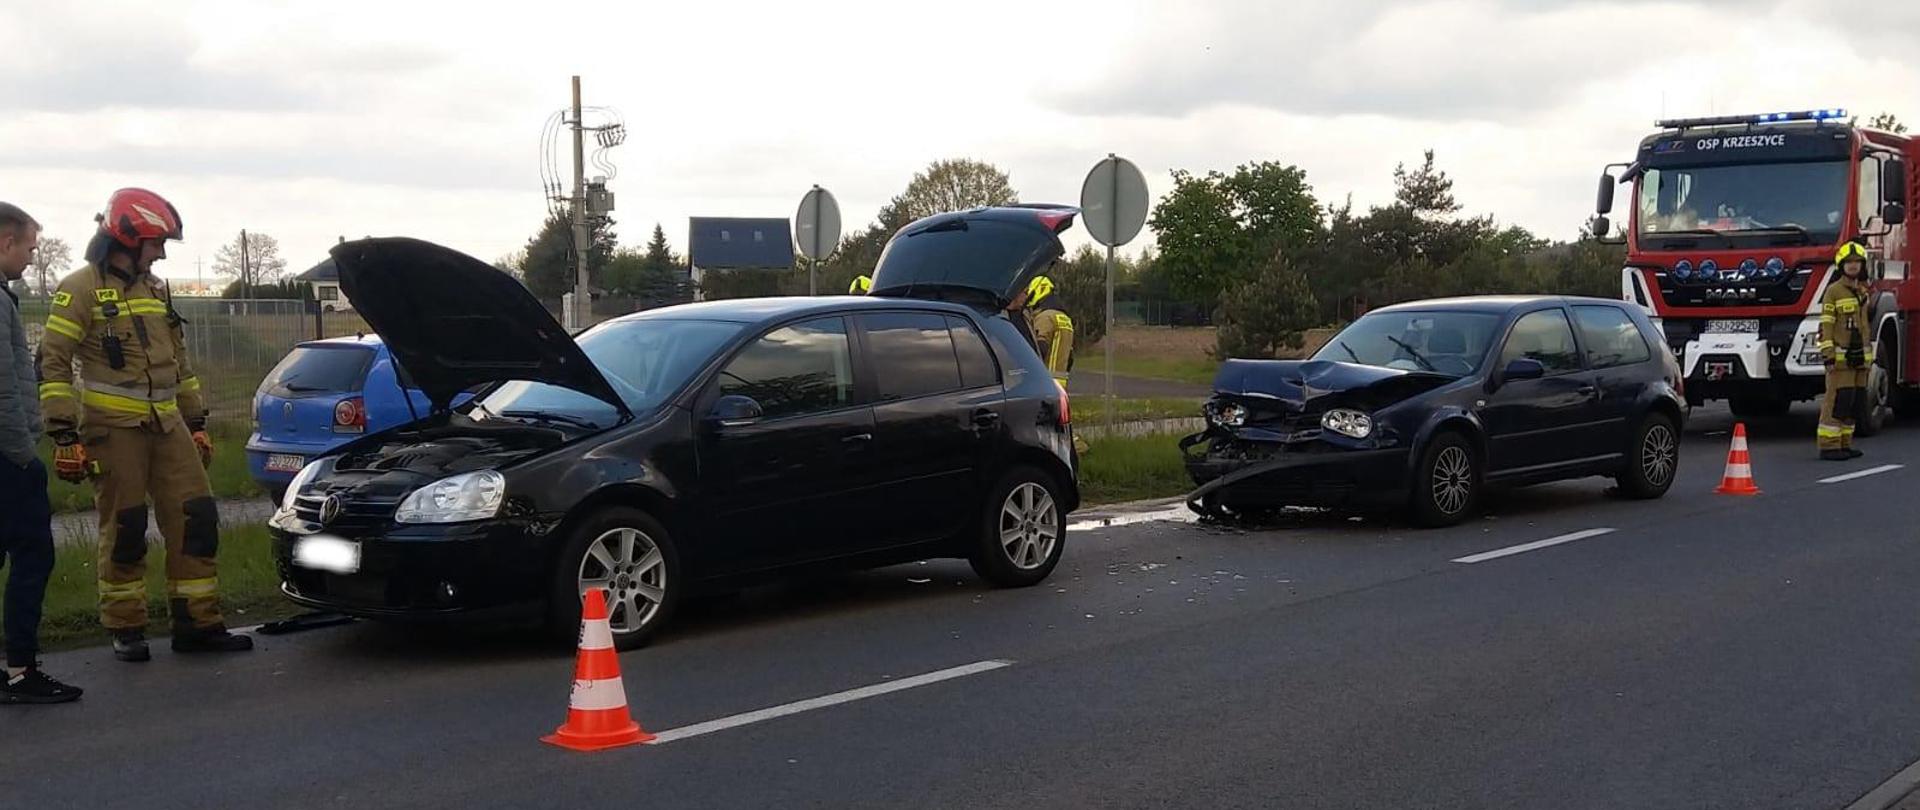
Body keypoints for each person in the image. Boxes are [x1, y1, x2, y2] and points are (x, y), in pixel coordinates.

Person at [39, 189, 252, 661]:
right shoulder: (79, 289)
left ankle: (198, 624)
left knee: (197, 516)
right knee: (127, 525)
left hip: (168, 423)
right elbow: (52, 362)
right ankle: (126, 625)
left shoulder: (157, 290)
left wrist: (195, 422)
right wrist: (63, 433)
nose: (159, 254)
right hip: (113, 429)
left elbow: (180, 363)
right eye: (156, 244)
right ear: (125, 239)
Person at [0, 202, 83, 703]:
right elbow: (4, 390)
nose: (32, 257)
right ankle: (21, 671)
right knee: (34, 557)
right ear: (5, 241)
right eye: (29, 246)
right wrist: (23, 455)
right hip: (7, 460)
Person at [1816, 241, 1874, 461]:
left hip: (1860, 360)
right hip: (1840, 361)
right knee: (1837, 401)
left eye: (1856, 262)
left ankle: (1845, 443)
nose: (1852, 266)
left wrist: (1868, 359)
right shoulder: (1833, 292)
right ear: (1841, 265)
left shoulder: (1862, 293)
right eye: (1848, 262)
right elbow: (1826, 326)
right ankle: (1829, 445)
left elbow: (1865, 328)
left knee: (1853, 402)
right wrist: (1828, 356)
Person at [1008, 275, 1074, 388]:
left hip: (1046, 380)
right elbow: (1071, 355)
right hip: (1061, 379)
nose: (1027, 297)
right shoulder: (1064, 318)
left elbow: (1040, 349)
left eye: (1028, 292)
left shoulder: (1045, 317)